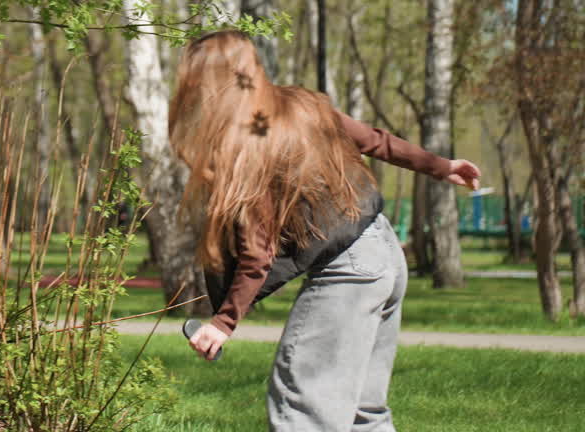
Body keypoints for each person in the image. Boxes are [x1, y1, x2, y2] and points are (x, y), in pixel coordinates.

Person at [169, 30, 480, 431]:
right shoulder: (303, 105)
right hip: (384, 253)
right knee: (363, 412)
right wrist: (443, 166)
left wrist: (224, 322)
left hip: (349, 272)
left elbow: (257, 253)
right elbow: (375, 141)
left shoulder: (247, 145)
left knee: (304, 406)